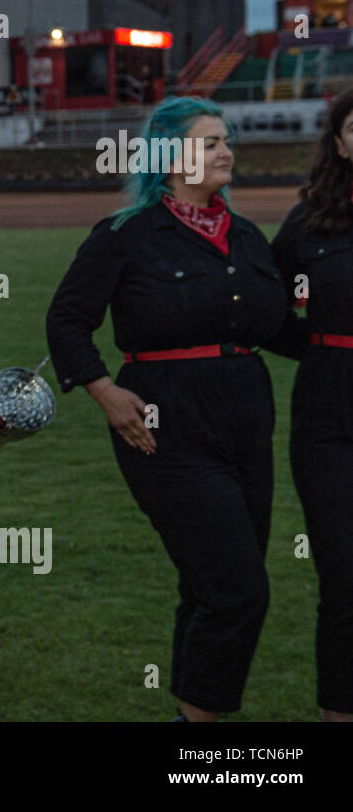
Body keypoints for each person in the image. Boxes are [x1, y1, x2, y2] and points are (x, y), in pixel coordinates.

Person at [46, 96, 294, 722]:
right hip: (163, 430)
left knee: (208, 588)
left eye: (227, 139)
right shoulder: (125, 235)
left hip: (246, 426)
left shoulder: (246, 235)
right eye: (212, 142)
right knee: (238, 591)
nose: (227, 151)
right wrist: (104, 391)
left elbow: (282, 331)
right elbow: (67, 321)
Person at [270, 87, 353, 723]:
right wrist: (325, 350)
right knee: (344, 580)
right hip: (328, 421)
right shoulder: (310, 221)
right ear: (339, 140)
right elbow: (268, 307)